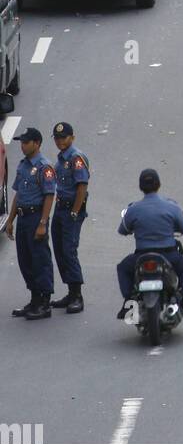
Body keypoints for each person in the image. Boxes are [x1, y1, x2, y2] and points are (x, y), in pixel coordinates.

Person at [117, 168, 183, 317]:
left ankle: (128, 301)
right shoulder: (171, 207)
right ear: (159, 184)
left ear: (141, 187)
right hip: (169, 255)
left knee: (123, 268)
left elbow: (122, 230)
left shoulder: (133, 209)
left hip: (142, 256)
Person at [5, 127, 56, 319]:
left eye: (26, 142)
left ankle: (44, 302)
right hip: (23, 217)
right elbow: (18, 194)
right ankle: (34, 298)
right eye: (21, 142)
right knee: (25, 259)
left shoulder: (44, 167)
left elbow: (49, 196)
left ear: (37, 143)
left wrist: (43, 223)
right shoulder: (23, 165)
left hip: (36, 217)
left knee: (40, 259)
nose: (22, 145)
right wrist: (11, 220)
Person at [48, 121, 89, 315]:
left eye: (63, 138)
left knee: (69, 250)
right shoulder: (62, 159)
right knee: (59, 250)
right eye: (57, 138)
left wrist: (74, 211)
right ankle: (70, 292)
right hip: (60, 209)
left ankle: (77, 295)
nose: (60, 141)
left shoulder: (76, 158)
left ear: (72, 137)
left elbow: (82, 186)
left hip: (71, 210)